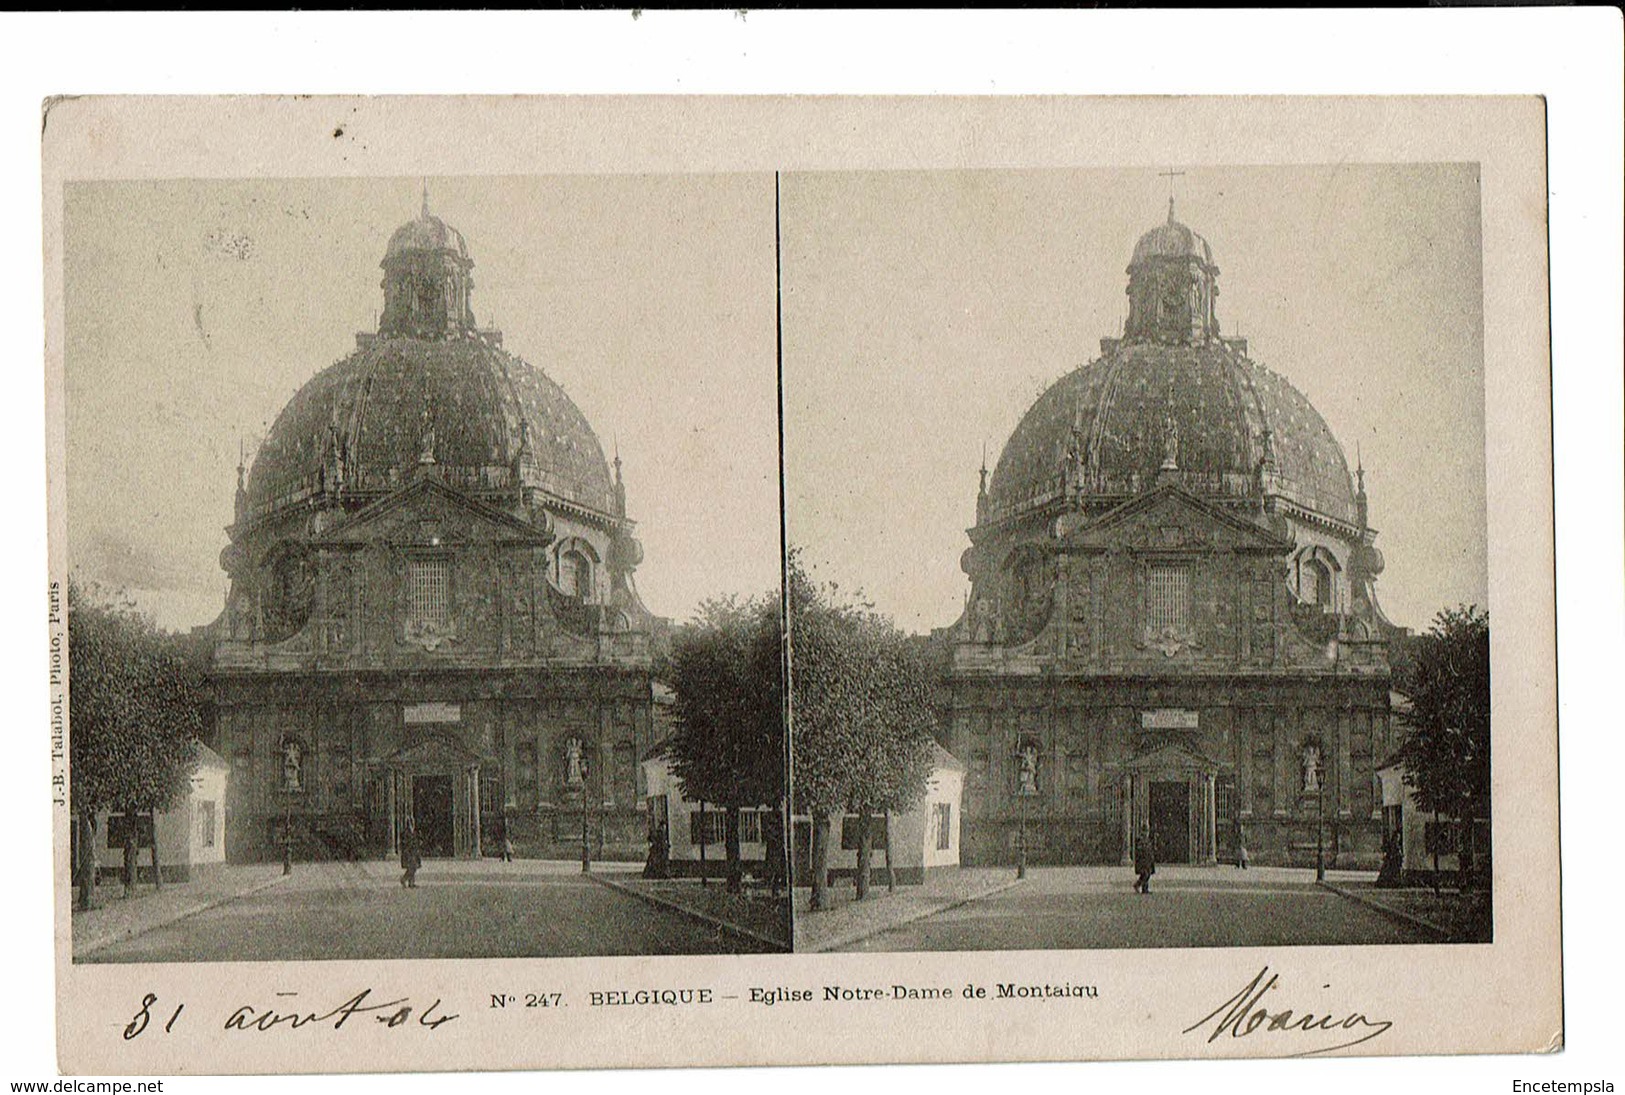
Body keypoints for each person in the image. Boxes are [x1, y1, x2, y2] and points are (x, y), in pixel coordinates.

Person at [1133, 824, 1156, 894]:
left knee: (1147, 874)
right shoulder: (1140, 839)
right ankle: (1138, 885)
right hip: (1143, 860)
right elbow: (1140, 849)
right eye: (1146, 830)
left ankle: (1144, 888)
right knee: (1145, 874)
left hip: (1147, 860)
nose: (1147, 832)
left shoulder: (1146, 839)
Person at [400, 822, 422, 889]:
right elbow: (405, 842)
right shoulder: (406, 832)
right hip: (409, 852)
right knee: (412, 867)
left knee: (413, 866)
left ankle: (411, 883)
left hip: (413, 852)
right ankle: (404, 879)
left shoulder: (415, 832)